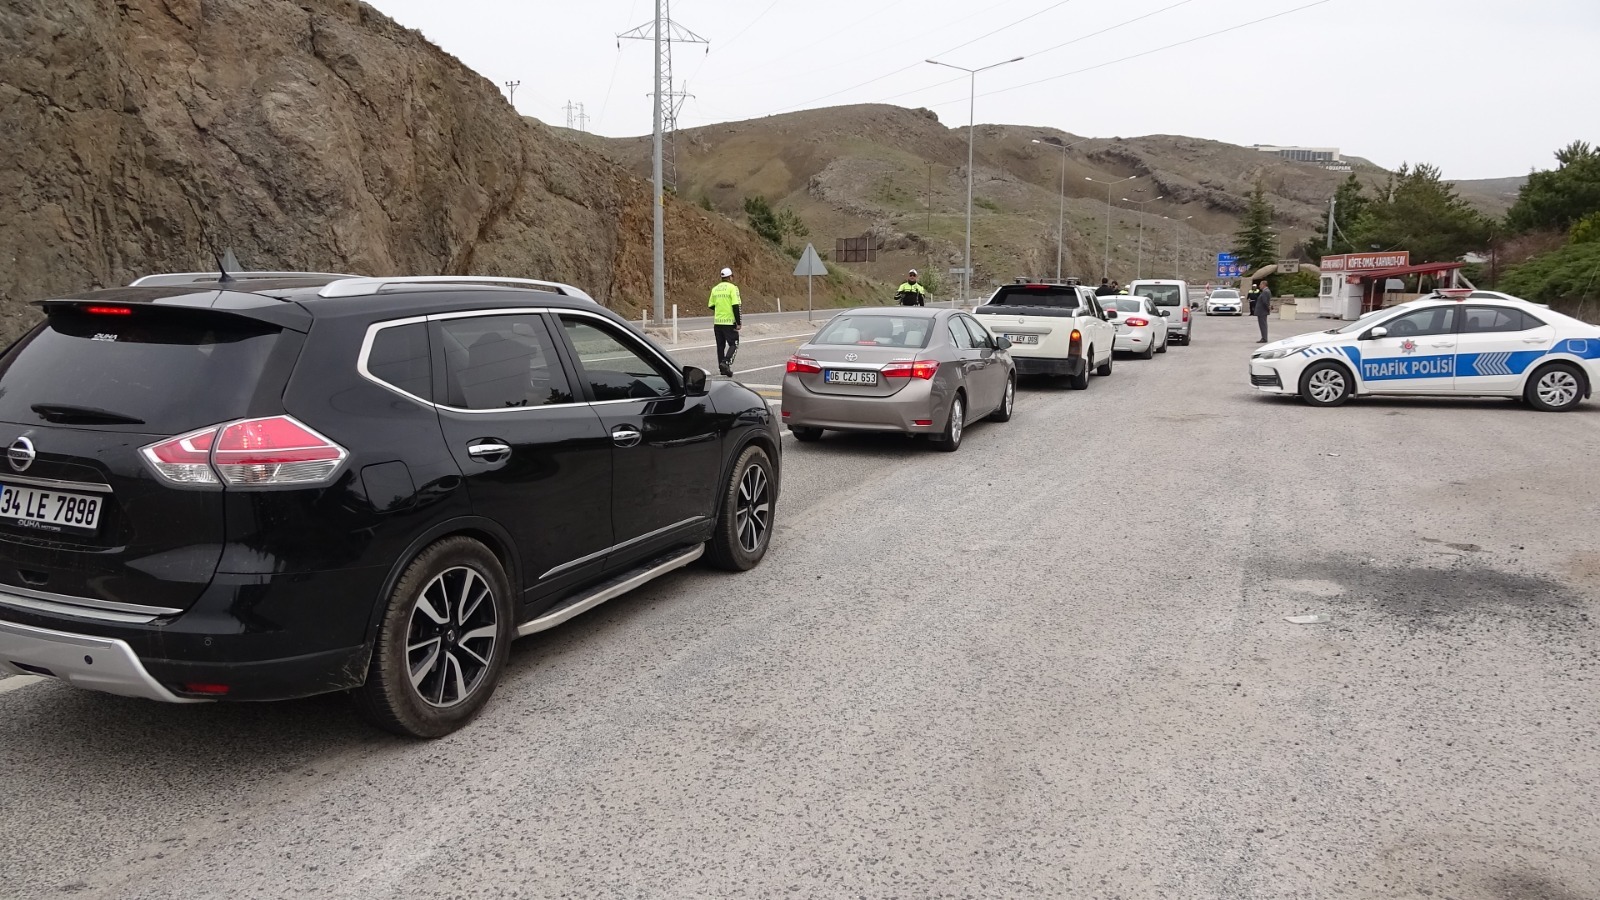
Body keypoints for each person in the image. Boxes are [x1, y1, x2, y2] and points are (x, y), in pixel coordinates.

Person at [708, 267, 741, 376]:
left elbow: (711, 305)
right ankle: (725, 362)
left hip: (717, 322)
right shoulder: (733, 288)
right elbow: (736, 306)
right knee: (734, 343)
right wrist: (738, 322)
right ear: (730, 277)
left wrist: (720, 309)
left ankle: (722, 369)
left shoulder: (715, 289)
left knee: (720, 346)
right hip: (729, 322)